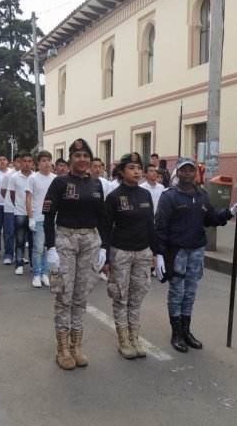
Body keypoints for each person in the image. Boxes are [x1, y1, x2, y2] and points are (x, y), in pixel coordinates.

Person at [154, 157, 237, 353]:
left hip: (196, 250)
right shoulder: (169, 196)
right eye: (183, 170)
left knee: (191, 291)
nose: (187, 173)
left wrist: (229, 212)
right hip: (177, 251)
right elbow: (160, 227)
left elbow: (210, 217)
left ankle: (186, 330)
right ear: (177, 172)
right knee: (177, 291)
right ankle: (176, 332)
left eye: (190, 170)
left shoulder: (201, 195)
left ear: (196, 173)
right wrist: (159, 255)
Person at [43, 138, 109, 370]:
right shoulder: (59, 182)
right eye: (78, 156)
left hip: (90, 241)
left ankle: (76, 345)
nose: (82, 160)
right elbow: (49, 216)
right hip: (65, 239)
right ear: (70, 159)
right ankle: (62, 348)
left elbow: (102, 217)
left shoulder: (97, 184)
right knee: (64, 295)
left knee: (81, 295)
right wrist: (50, 248)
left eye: (86, 157)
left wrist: (104, 247)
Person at [105, 152, 155, 359]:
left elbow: (150, 225)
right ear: (122, 172)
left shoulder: (146, 195)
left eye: (139, 168)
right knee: (120, 296)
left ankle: (135, 337)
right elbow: (106, 228)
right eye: (131, 168)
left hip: (142, 252)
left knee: (137, 296)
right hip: (121, 252)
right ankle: (123, 340)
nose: (136, 172)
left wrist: (155, 252)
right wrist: (106, 259)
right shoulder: (114, 196)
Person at [26, 150, 56, 288]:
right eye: (43, 161)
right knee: (38, 248)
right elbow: (28, 199)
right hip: (38, 217)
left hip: (52, 218)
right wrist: (31, 217)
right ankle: (37, 274)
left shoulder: (55, 178)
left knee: (48, 247)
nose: (46, 163)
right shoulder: (32, 178)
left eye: (48, 160)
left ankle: (45, 273)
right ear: (38, 163)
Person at [9, 151, 35, 276]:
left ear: (33, 163)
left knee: (33, 241)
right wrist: (19, 207)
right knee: (19, 240)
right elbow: (12, 195)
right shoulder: (14, 177)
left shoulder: (35, 177)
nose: (26, 164)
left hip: (34, 214)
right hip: (19, 213)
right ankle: (19, 263)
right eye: (24, 161)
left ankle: (33, 263)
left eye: (29, 161)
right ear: (20, 162)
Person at [0, 154, 20, 265]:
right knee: (9, 232)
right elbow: (3, 192)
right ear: (14, 162)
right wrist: (9, 202)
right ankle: (8, 254)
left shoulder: (29, 176)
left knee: (21, 233)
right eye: (17, 161)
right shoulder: (8, 176)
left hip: (22, 209)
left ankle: (19, 254)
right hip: (10, 208)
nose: (20, 164)